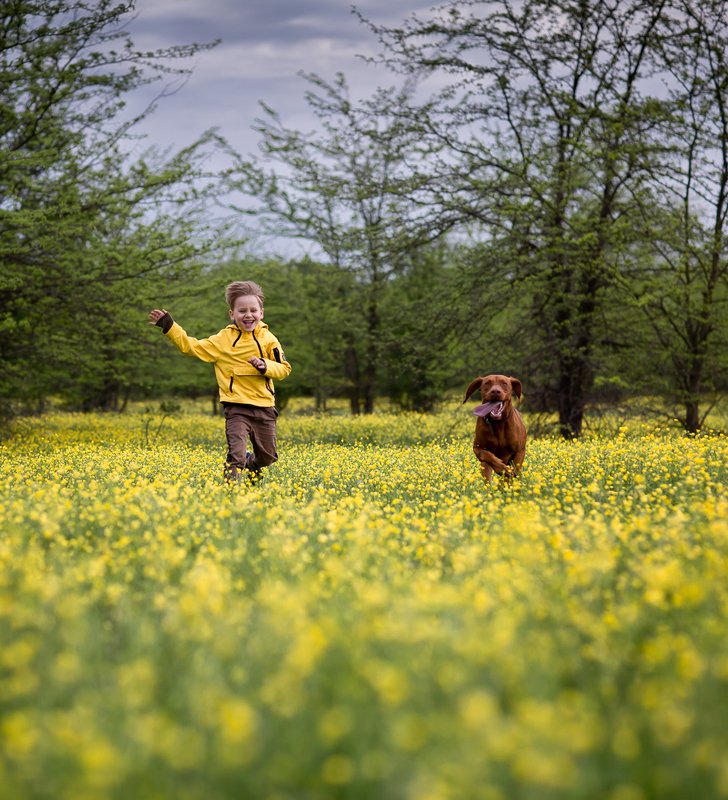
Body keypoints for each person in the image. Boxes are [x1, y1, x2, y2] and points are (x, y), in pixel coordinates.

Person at [149, 280, 291, 483]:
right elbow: (192, 347)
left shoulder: (269, 340)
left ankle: (252, 465)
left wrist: (265, 366)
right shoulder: (222, 340)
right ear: (232, 314)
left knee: (268, 457)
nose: (248, 315)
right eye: (242, 310)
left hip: (264, 406)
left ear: (262, 313)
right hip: (236, 407)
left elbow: (284, 368)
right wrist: (170, 327)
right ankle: (231, 493)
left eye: (253, 310)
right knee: (236, 456)